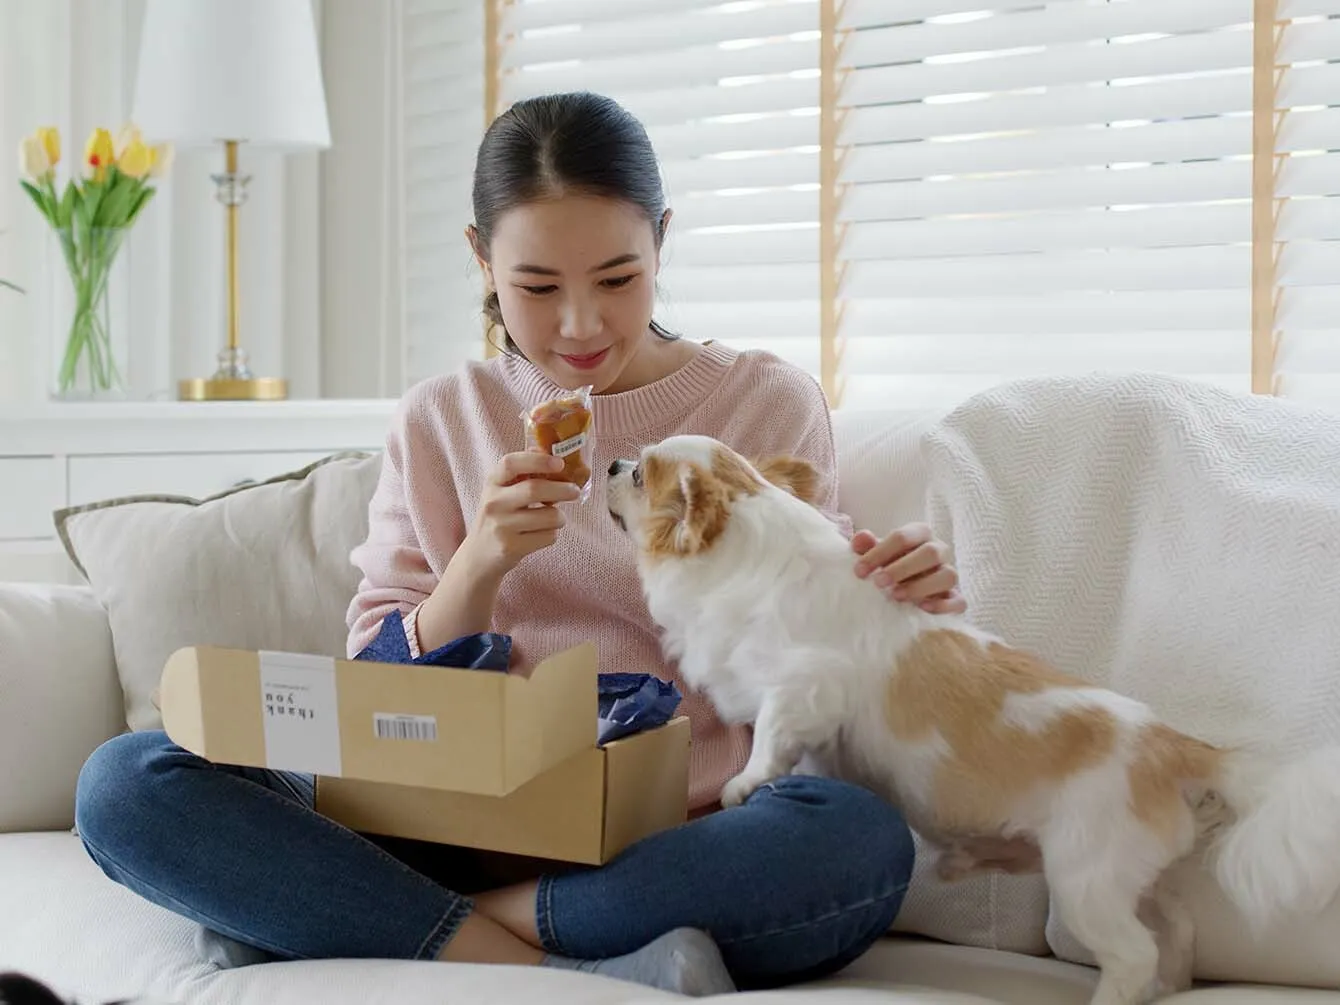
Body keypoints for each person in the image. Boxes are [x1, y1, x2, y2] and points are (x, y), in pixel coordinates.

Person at [73, 91, 966, 997]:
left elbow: (811, 632)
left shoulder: (763, 403)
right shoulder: (441, 419)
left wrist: (889, 594)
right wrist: (479, 562)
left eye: (618, 279)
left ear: (663, 240)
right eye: (537, 287)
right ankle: (549, 956)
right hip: (438, 816)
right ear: (480, 257)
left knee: (856, 839)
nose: (580, 326)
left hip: (663, 833)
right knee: (127, 781)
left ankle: (361, 917)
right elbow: (373, 688)